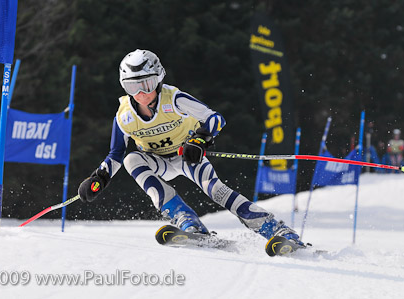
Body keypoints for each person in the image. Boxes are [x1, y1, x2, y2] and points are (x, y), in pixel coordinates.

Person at [77, 49, 304, 247]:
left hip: (187, 156)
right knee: (131, 160)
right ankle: (186, 220)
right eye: (132, 86)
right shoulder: (124, 116)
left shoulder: (174, 99)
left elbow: (215, 118)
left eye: (145, 84)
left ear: (158, 79)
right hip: (157, 162)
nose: (141, 94)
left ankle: (275, 229)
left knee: (216, 191)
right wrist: (99, 179)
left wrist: (199, 140)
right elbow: (116, 153)